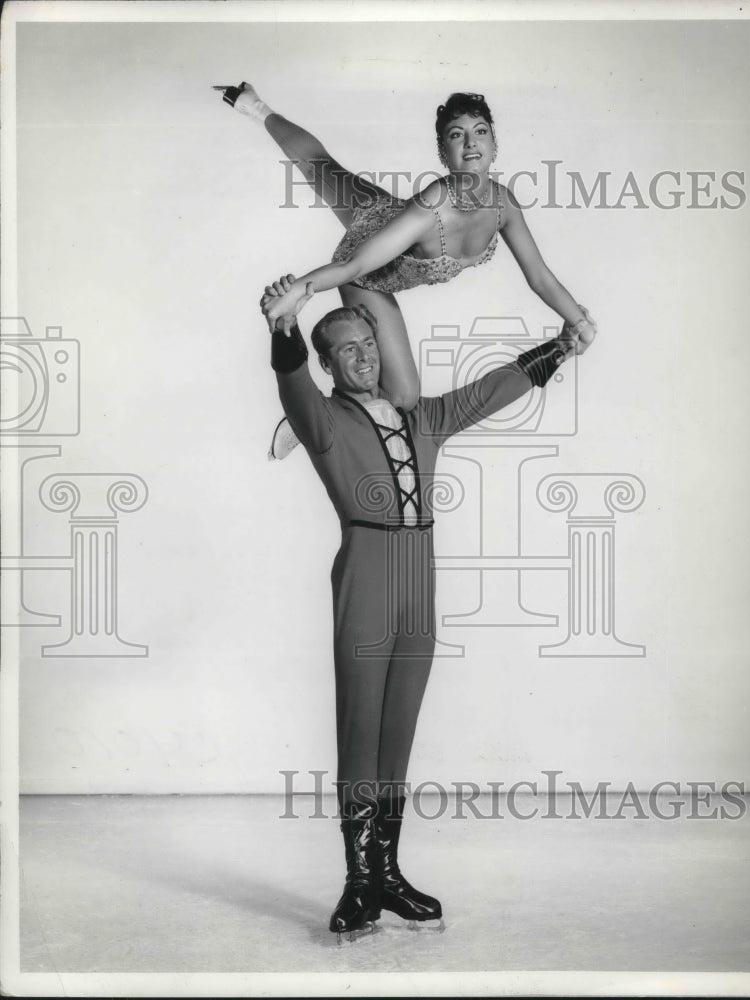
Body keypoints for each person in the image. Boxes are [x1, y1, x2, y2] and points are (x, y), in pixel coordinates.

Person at [260, 272, 593, 942]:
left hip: (420, 577)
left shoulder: (422, 418)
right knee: (360, 727)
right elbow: (292, 384)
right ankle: (357, 884)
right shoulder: (324, 422)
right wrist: (282, 327)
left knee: (398, 730)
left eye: (367, 343)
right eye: (345, 350)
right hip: (367, 568)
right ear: (328, 363)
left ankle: (387, 873)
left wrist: (560, 346)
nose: (361, 357)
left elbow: (486, 394)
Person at [222, 84, 597, 457]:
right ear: (443, 151)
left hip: (383, 212)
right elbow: (357, 264)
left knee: (321, 166)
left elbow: (539, 276)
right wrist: (299, 289)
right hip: (368, 272)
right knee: (403, 396)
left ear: (494, 144)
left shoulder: (504, 205)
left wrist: (577, 322)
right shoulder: (433, 205)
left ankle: (253, 104)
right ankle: (307, 421)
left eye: (480, 131)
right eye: (456, 135)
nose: (470, 143)